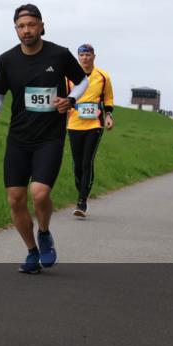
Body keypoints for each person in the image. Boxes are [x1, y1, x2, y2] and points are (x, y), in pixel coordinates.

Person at [0, 4, 89, 273]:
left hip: (49, 138)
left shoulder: (60, 54)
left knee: (39, 194)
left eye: (31, 25)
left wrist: (71, 99)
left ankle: (44, 232)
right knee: (15, 199)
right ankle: (31, 251)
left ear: (41, 26)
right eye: (21, 26)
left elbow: (82, 81)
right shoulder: (7, 60)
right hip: (18, 138)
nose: (26, 30)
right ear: (16, 29)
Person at [65, 44, 114, 218]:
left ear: (94, 56)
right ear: (78, 58)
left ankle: (82, 201)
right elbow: (64, 96)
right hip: (74, 123)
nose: (85, 58)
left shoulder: (103, 76)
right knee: (77, 164)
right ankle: (82, 190)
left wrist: (108, 115)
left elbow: (108, 97)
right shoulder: (69, 76)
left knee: (87, 162)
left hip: (95, 124)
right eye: (82, 55)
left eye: (88, 55)